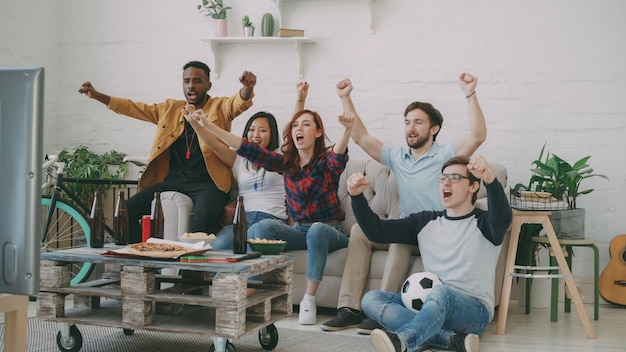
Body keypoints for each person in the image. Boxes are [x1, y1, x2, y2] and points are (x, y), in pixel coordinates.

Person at [321, 73, 487, 333]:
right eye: (408, 122)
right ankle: (349, 309)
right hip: (408, 226)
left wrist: (470, 94)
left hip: (433, 232)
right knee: (359, 231)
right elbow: (361, 137)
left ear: (434, 129)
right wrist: (345, 98)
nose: (411, 128)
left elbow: (478, 136)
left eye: (418, 122)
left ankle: (382, 315)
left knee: (400, 240)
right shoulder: (397, 157)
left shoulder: (446, 154)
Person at [184, 81, 354, 325]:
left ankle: (308, 300)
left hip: (331, 229)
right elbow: (243, 147)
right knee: (258, 231)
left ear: (317, 133)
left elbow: (338, 155)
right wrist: (207, 124)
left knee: (315, 229)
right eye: (296, 125)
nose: (299, 128)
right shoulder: (286, 163)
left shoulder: (326, 162)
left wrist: (347, 129)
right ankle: (243, 290)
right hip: (299, 230)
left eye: (307, 125)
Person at [78, 61, 256, 242]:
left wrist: (247, 88)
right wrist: (98, 96)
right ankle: (142, 258)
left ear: (208, 85)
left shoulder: (219, 107)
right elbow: (134, 108)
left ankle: (190, 270)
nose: (191, 86)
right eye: (187, 81)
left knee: (201, 225)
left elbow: (237, 103)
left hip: (209, 184)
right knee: (126, 210)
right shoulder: (170, 109)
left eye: (197, 81)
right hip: (174, 181)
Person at [347, 156, 512, 352]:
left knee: (441, 292)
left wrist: (490, 180)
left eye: (455, 178)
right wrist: (356, 197)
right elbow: (377, 232)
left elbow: (503, 216)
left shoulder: (486, 223)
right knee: (371, 299)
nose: (446, 183)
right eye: (443, 178)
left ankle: (403, 340)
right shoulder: (425, 222)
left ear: (473, 186)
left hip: (474, 312)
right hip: (430, 305)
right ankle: (451, 340)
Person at [186, 110, 288, 249]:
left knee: (252, 250)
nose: (256, 135)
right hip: (242, 220)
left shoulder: (281, 158)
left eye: (262, 130)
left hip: (272, 219)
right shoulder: (239, 160)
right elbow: (213, 144)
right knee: (217, 248)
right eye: (251, 130)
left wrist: (300, 99)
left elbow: (293, 133)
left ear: (272, 134)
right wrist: (195, 123)